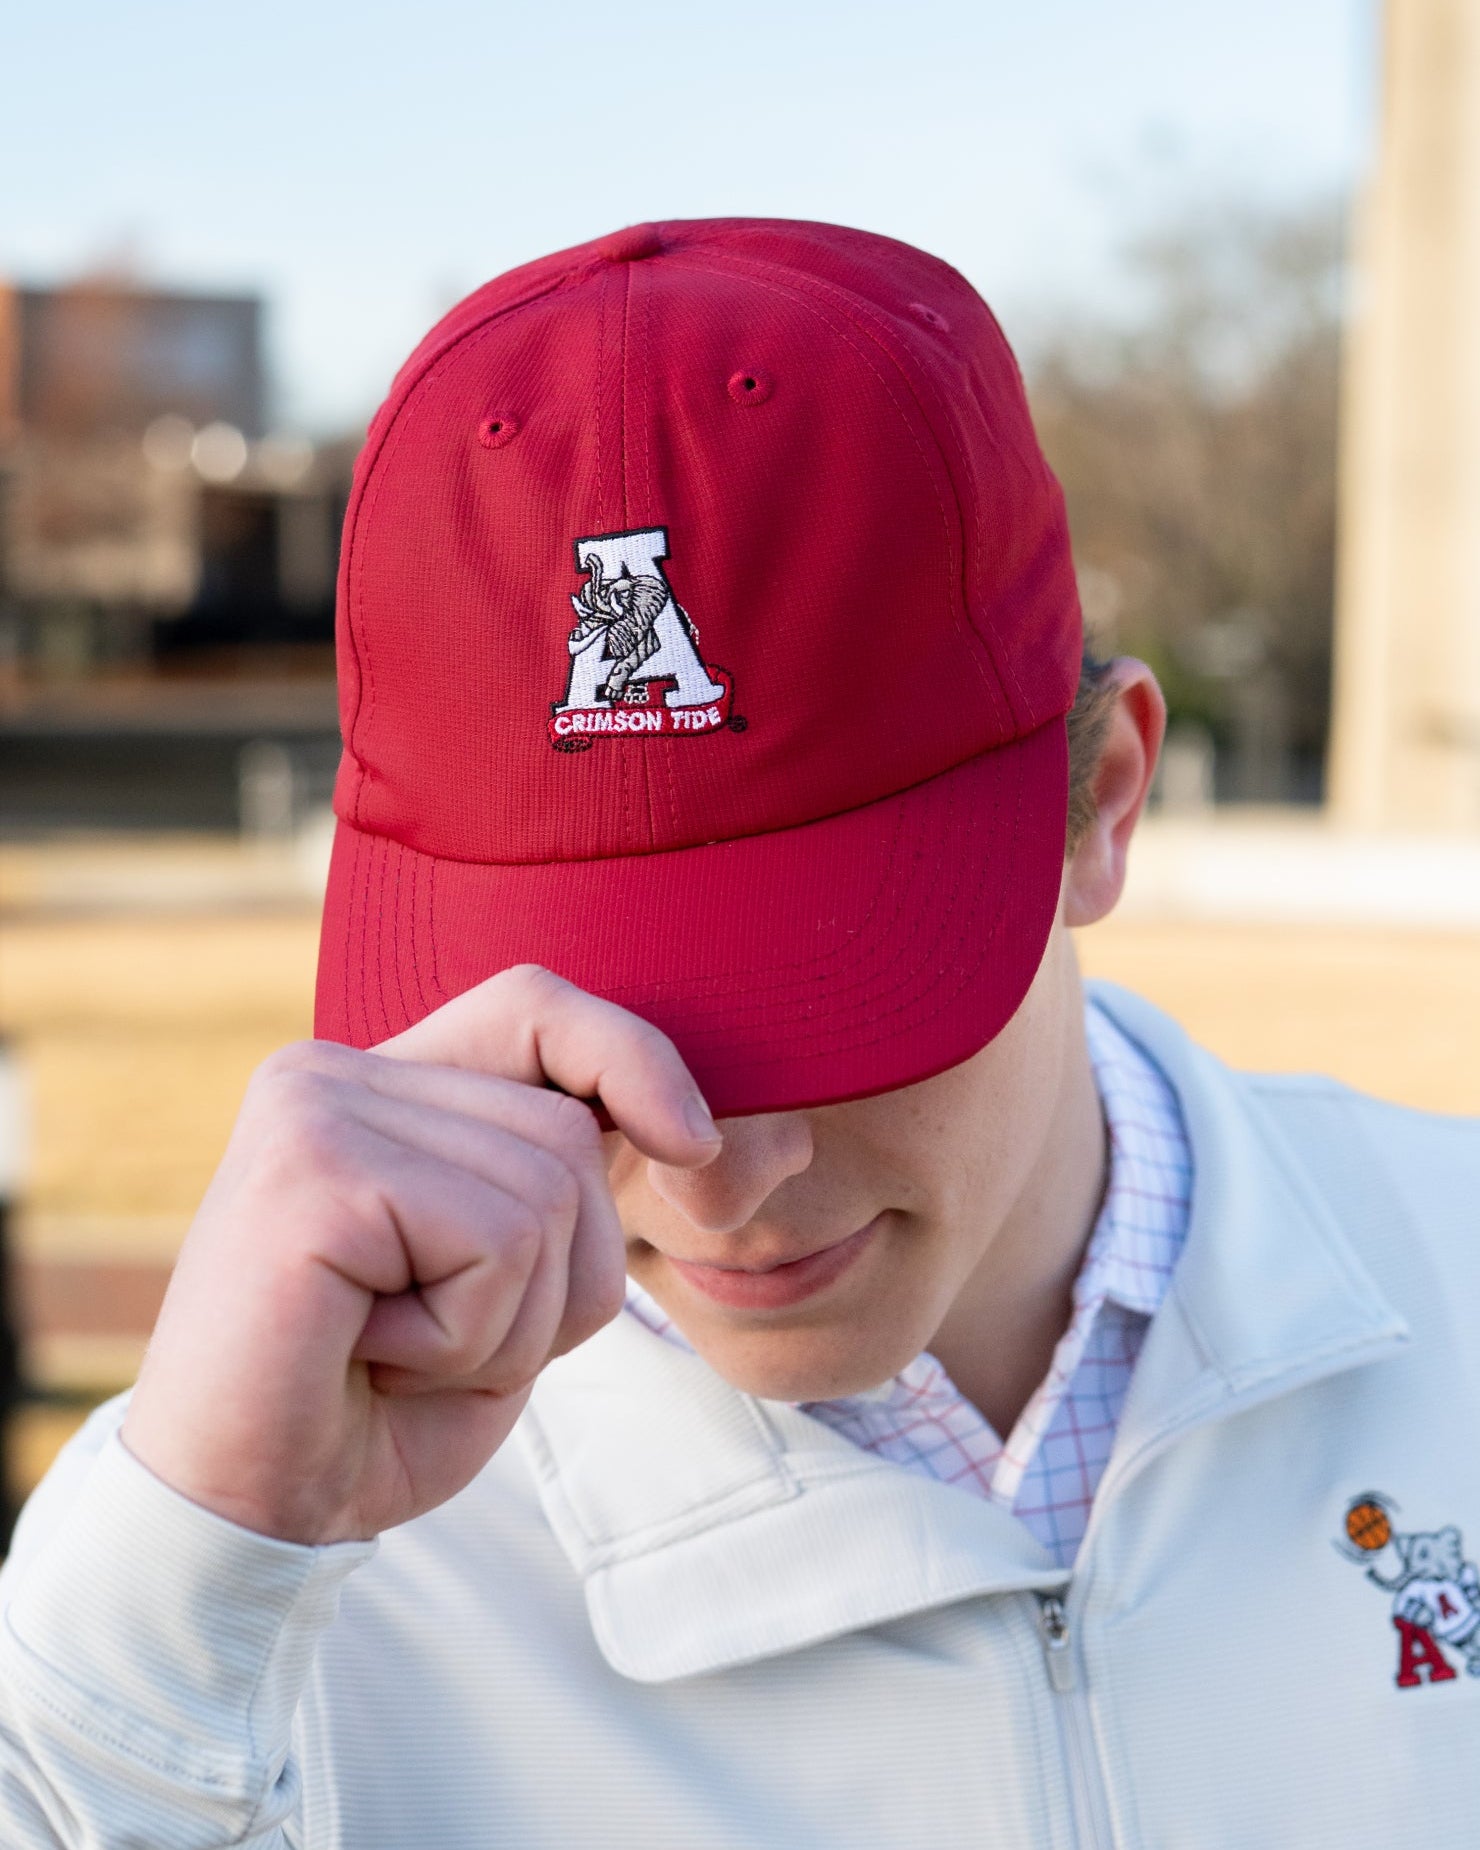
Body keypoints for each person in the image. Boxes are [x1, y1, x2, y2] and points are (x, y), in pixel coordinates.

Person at [0, 218, 1474, 1850]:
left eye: (834, 1002)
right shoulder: (274, 1553)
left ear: (1102, 804)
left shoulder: (1458, 1272)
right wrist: (179, 1610)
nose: (717, 1179)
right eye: (576, 1047)